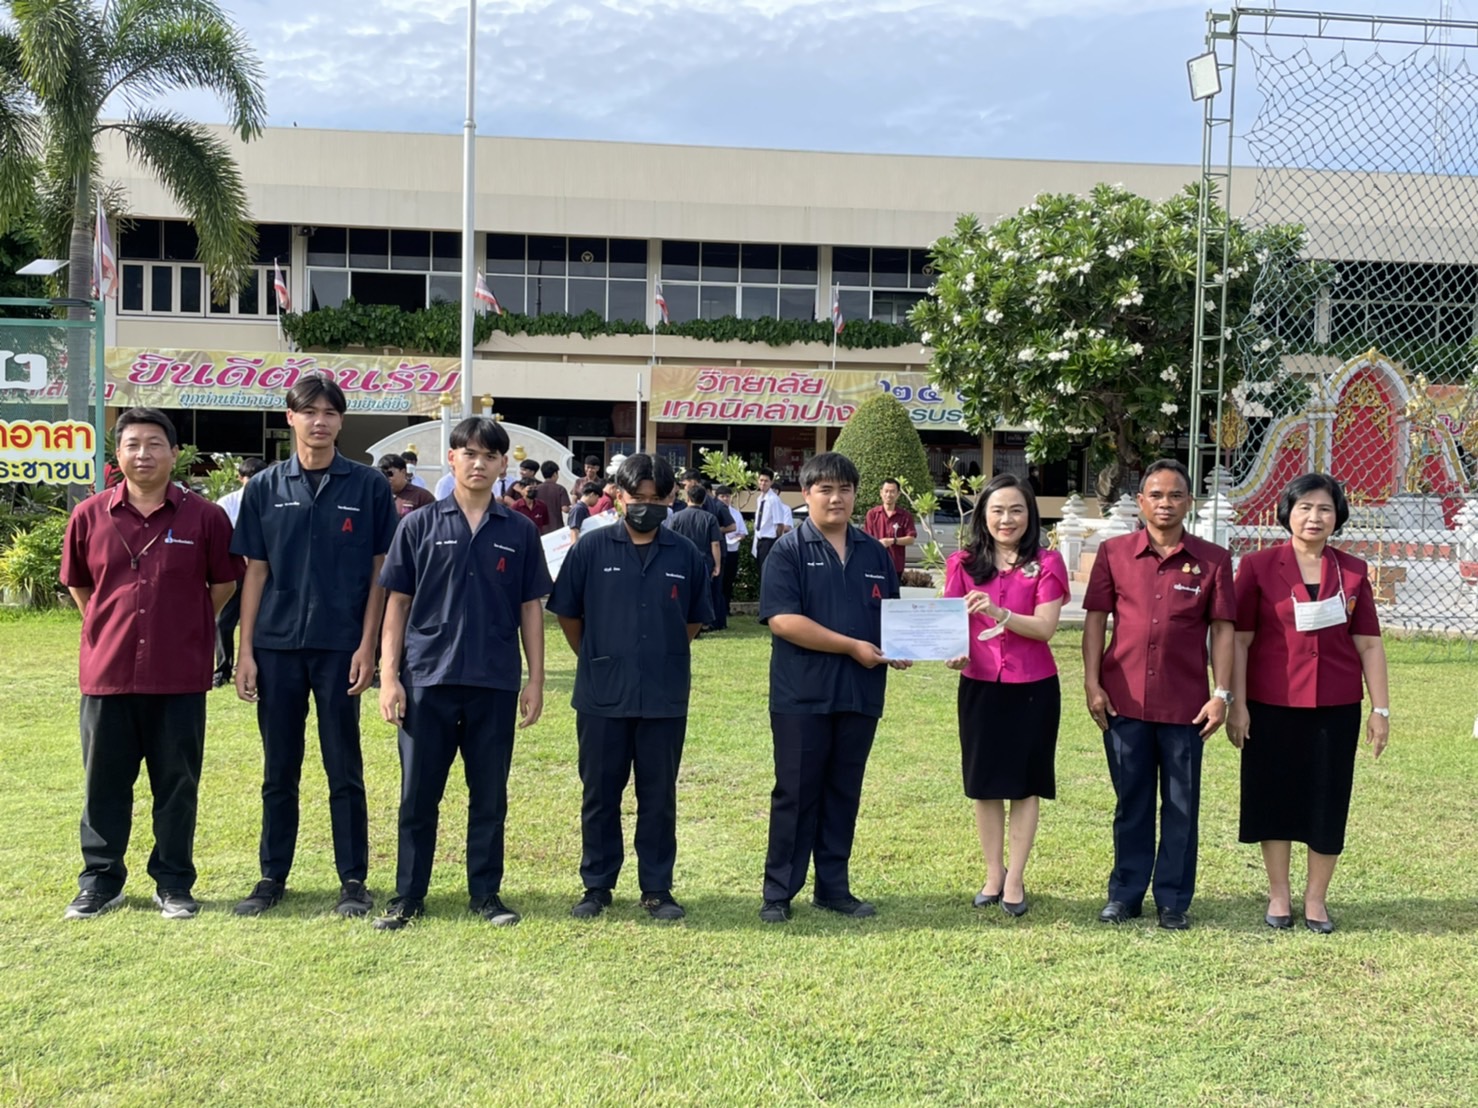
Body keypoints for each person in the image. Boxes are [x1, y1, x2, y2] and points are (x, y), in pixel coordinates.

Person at [372, 417, 552, 930]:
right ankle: (408, 896)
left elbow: (531, 607)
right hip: (426, 678)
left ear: (503, 465)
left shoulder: (518, 530)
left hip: (493, 680)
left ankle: (486, 894)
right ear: (451, 458)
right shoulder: (418, 525)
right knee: (417, 796)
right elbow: (397, 604)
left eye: (489, 456)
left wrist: (536, 679)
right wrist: (390, 676)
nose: (479, 463)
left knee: (489, 795)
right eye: (469, 453)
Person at [59, 407, 239, 920]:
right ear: (118, 454)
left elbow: (223, 584)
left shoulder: (205, 517)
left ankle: (174, 882)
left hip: (178, 673)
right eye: (133, 444)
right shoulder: (89, 515)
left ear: (174, 454)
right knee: (103, 785)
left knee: (177, 785)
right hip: (108, 673)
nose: (144, 454)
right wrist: (108, 626)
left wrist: (183, 624)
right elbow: (81, 586)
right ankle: (100, 882)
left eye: (155, 444)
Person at [230, 375, 398, 918]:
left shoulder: (368, 487)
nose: (319, 421)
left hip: (340, 647)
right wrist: (246, 651)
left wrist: (368, 646)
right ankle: (271, 876)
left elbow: (380, 573)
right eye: (309, 411)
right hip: (276, 647)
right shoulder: (264, 487)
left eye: (329, 412)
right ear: (291, 417)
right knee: (279, 768)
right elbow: (254, 573)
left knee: (343, 766)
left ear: (341, 420)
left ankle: (353, 879)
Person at [546, 453, 712, 921]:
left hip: (663, 694)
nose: (647, 506)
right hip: (601, 693)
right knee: (600, 793)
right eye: (637, 497)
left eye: (657, 499)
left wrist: (657, 653)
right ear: (618, 496)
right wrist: (598, 656)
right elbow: (568, 614)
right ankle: (597, 886)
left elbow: (693, 620)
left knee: (658, 795)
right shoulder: (591, 549)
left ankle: (657, 888)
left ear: (672, 498)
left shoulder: (686, 554)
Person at [1226, 473, 1390, 934]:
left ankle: (1316, 899)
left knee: (1327, 800)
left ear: (1338, 516)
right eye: (1305, 507)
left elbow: (1369, 644)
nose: (1314, 517)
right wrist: (1237, 704)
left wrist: (1380, 709)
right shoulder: (1257, 567)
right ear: (1287, 513)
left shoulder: (1353, 571)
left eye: (1324, 508)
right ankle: (1279, 895)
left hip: (1335, 707)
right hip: (1270, 704)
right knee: (1273, 798)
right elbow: (1239, 641)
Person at [1082, 459, 1236, 931]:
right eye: (1156, 495)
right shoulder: (1113, 553)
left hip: (1186, 706)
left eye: (1175, 495)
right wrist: (1091, 682)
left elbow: (1222, 630)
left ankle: (1173, 899)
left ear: (1189, 502)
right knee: (1132, 801)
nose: (1165, 503)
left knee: (1181, 805)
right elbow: (1095, 620)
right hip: (1123, 700)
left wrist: (1221, 694)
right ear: (1141, 502)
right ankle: (1125, 895)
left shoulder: (1213, 561)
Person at [758, 451, 910, 923]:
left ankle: (833, 888)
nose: (836, 497)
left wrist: (904, 647)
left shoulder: (874, 553)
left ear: (855, 494)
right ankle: (779, 892)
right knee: (796, 793)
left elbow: (893, 619)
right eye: (825, 489)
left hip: (860, 693)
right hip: (802, 695)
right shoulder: (789, 550)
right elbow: (783, 620)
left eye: (845, 489)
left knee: (844, 792)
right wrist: (851, 646)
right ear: (806, 494)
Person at [942, 475, 1068, 917]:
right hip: (979, 684)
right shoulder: (962, 563)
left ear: (1030, 514)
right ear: (983, 515)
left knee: (1025, 785)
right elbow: (950, 624)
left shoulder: (1047, 563)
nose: (1006, 519)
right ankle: (993, 874)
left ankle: (1015, 878)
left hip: (1033, 687)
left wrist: (1000, 613)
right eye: (997, 510)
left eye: (1016, 510)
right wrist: (953, 653)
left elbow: (1045, 627)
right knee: (985, 784)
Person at [214, 456, 268, 689]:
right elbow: (221, 540)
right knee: (224, 622)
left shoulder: (273, 502)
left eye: (258, 477)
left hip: (264, 573)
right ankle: (222, 669)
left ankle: (257, 666)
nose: (253, 481)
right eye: (249, 477)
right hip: (236, 572)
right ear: (240, 478)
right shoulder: (226, 504)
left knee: (262, 623)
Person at [666, 483, 723, 613]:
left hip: (681, 560)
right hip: (704, 561)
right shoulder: (710, 518)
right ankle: (702, 619)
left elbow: (669, 539)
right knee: (702, 593)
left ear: (688, 498)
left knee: (682, 591)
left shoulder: (676, 517)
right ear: (704, 500)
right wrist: (717, 565)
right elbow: (715, 544)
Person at [863, 477, 917, 577]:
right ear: (881, 493)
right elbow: (866, 539)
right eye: (886, 491)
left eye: (892, 492)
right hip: (876, 565)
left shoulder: (905, 516)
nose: (889, 495)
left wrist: (892, 541)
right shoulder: (872, 514)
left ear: (898, 494)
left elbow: (911, 539)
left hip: (895, 566)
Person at [715, 484, 748, 628]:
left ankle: (726, 608)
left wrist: (737, 538)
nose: (725, 499)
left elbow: (743, 532)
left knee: (729, 581)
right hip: (720, 549)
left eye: (727, 496)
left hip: (733, 549)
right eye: (722, 496)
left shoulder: (736, 514)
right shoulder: (715, 511)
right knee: (719, 582)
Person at [750, 467, 790, 572]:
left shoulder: (774, 500)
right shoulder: (760, 499)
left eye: (766, 481)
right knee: (761, 571)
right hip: (759, 541)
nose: (763, 483)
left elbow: (780, 524)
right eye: (761, 480)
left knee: (767, 572)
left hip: (769, 542)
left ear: (771, 482)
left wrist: (775, 542)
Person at [378, 453, 436, 517]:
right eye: (383, 474)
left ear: (403, 472)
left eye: (389, 474)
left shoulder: (422, 497)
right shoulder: (377, 496)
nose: (386, 478)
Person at [533, 460, 571, 535]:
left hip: (540, 528)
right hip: (556, 528)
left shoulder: (536, 489)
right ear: (555, 474)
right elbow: (565, 509)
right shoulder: (560, 489)